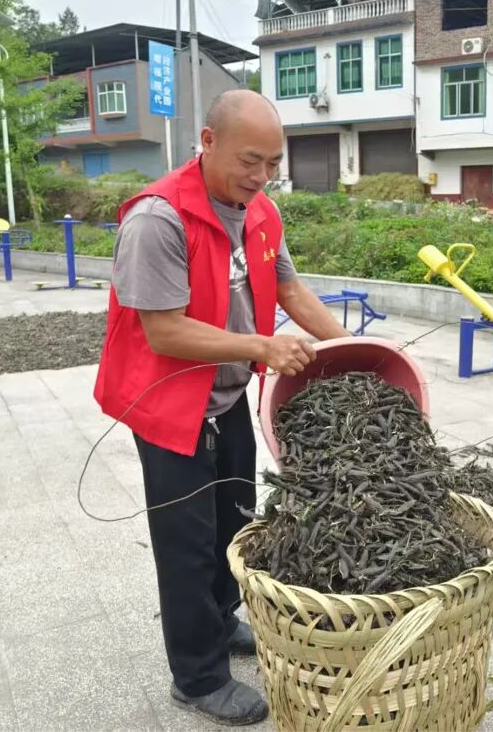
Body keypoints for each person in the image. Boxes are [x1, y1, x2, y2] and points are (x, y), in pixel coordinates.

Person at [94, 89, 351, 725]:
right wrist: (263, 344)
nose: (262, 178)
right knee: (185, 543)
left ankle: (220, 620)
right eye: (249, 161)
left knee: (234, 525)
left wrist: (352, 348)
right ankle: (197, 676)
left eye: (272, 163)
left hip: (228, 395)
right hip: (168, 404)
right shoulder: (157, 220)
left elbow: (288, 287)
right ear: (206, 144)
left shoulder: (259, 211)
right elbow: (164, 330)